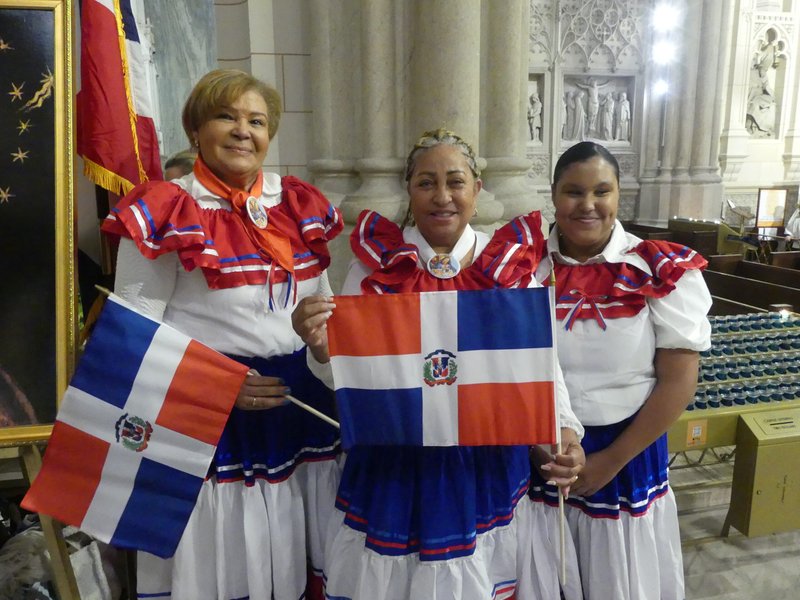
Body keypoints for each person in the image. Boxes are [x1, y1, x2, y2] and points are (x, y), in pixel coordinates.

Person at [292, 128, 586, 599]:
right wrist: (323, 348)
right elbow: (344, 376)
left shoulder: (507, 264)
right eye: (426, 183)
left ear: (477, 189)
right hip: (396, 462)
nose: (442, 196)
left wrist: (564, 432)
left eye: (456, 181)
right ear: (409, 190)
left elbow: (538, 365)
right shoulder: (375, 266)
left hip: (482, 462)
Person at [101, 69, 343, 600]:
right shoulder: (168, 207)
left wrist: (320, 341)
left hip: (299, 413)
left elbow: (322, 316)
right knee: (225, 569)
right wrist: (217, 386)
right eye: (225, 117)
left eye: (256, 121)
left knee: (302, 557)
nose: (242, 131)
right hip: (207, 419)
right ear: (195, 131)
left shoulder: (297, 204)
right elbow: (132, 333)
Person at [527, 141, 711, 600]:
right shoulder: (521, 267)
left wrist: (612, 460)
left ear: (618, 196)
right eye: (573, 191)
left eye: (601, 192)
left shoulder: (658, 269)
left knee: (620, 581)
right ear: (553, 195)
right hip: (541, 451)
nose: (587, 205)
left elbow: (678, 380)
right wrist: (538, 446)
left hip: (626, 451)